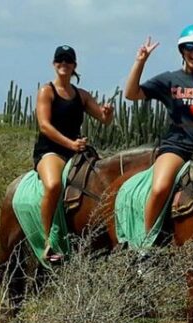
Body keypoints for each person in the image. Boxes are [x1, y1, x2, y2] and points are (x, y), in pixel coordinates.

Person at [124, 24, 193, 236]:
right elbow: (131, 93)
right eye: (190, 47)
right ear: (182, 50)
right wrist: (140, 62)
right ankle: (145, 246)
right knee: (160, 188)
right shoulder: (169, 79)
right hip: (176, 147)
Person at [34, 45, 114, 262]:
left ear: (74, 66)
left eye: (68, 60)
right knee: (53, 185)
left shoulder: (82, 95)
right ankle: (47, 240)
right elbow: (44, 126)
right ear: (54, 64)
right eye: (60, 60)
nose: (64, 64)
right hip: (51, 151)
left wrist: (108, 113)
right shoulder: (46, 91)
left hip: (77, 151)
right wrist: (71, 144)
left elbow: (104, 120)